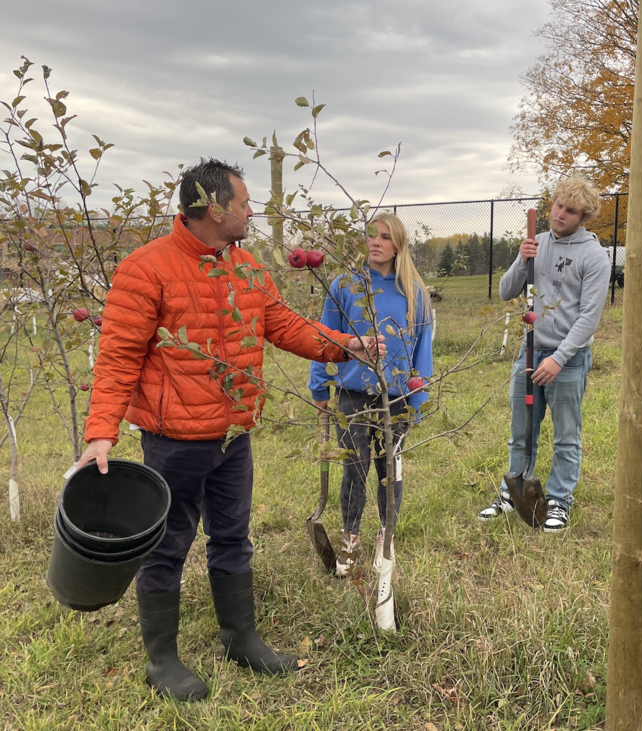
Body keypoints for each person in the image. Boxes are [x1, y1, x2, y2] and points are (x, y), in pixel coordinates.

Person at [76, 159, 384, 702]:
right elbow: (119, 356)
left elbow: (284, 324)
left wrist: (347, 344)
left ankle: (240, 637)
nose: (251, 211)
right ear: (214, 208)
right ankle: (162, 659)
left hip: (233, 434)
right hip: (173, 439)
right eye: (244, 203)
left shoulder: (245, 267)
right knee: (168, 545)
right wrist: (102, 430)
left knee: (232, 536)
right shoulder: (145, 269)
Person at [478, 177, 612, 532]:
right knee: (521, 430)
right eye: (558, 206)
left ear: (583, 216)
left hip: (567, 359)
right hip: (529, 351)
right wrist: (522, 260)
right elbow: (507, 292)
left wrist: (559, 358)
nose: (561, 214)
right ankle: (514, 489)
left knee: (566, 434)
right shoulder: (536, 244)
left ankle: (559, 499)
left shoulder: (594, 256)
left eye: (571, 210)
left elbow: (589, 318)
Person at [309, 212, 433, 578]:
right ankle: (350, 537)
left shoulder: (414, 291)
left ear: (398, 245)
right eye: (371, 236)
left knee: (388, 469)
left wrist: (417, 397)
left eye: (384, 237)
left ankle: (386, 535)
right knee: (354, 467)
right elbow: (325, 338)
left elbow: (422, 350)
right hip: (353, 394)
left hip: (394, 397)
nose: (376, 242)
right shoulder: (346, 286)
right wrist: (320, 386)